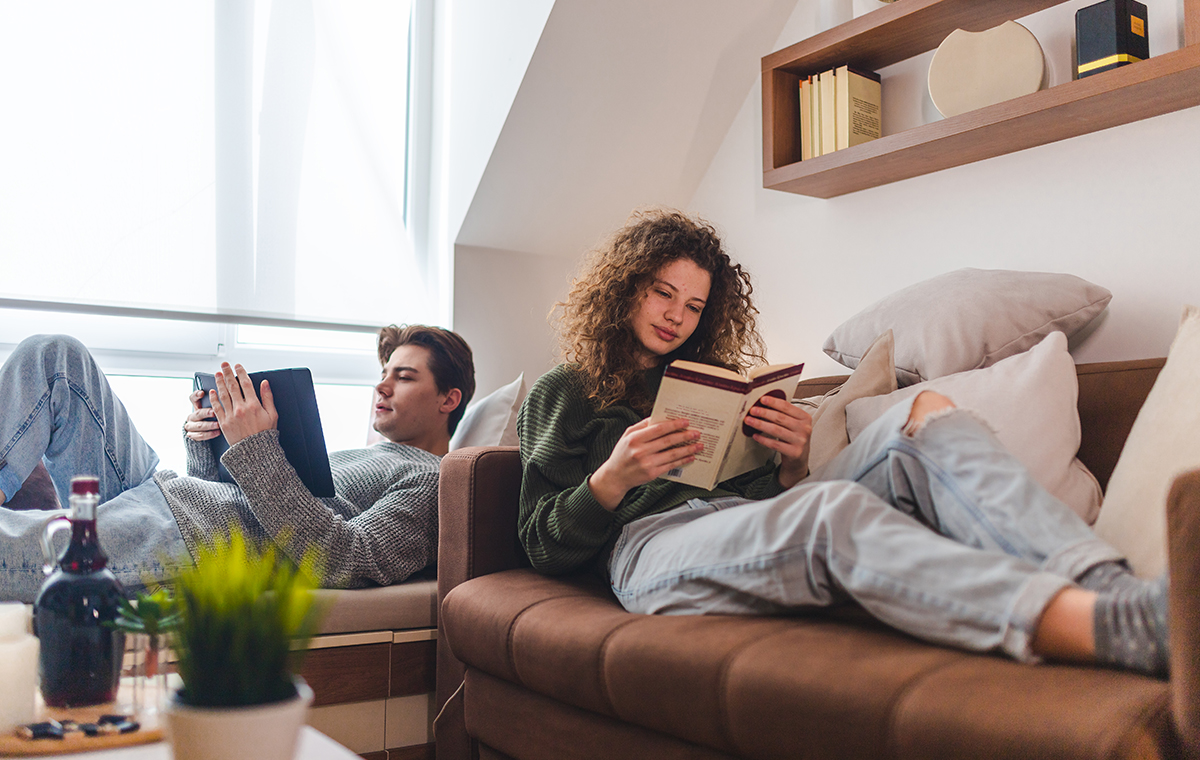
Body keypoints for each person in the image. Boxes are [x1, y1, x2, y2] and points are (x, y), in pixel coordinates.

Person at [517, 208, 1171, 678]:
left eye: (692, 306)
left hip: (745, 519)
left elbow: (761, 495)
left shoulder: (706, 383)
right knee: (833, 515)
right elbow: (540, 542)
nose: (675, 316)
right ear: (625, 284)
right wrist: (614, 479)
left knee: (929, 416)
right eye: (663, 293)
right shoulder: (566, 390)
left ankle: (1114, 591)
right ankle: (1103, 626)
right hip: (647, 547)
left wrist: (793, 459)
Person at [0, 324, 475, 602]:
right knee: (54, 357)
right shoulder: (367, 454)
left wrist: (254, 447)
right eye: (383, 373)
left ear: (448, 399)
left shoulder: (433, 480)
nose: (382, 387)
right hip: (174, 497)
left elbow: (351, 560)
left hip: (193, 536)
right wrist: (210, 441)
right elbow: (236, 497)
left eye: (405, 376)